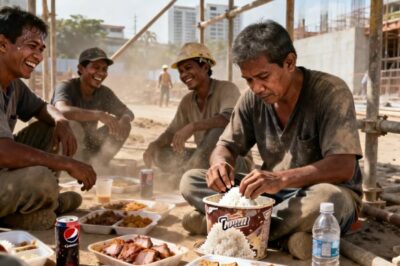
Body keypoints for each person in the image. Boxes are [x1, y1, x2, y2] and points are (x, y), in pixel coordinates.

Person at [180, 21, 363, 260]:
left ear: (289, 62)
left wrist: (281, 178)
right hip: (269, 194)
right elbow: (225, 146)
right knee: (190, 180)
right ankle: (283, 237)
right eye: (248, 80)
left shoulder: (330, 92)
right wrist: (220, 165)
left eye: (263, 76)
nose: (256, 88)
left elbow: (343, 167)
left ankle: (221, 226)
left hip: (318, 193)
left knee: (328, 200)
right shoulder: (252, 99)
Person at [0, 7, 96, 230]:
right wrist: (67, 163)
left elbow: (43, 107)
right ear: (3, 44)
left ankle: (37, 204)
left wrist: (61, 121)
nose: (39, 56)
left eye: (41, 49)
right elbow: (3, 153)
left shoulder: (12, 84)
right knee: (41, 179)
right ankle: (44, 200)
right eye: (32, 46)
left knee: (52, 126)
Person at [143, 43, 251, 186]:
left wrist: (193, 126)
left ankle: (184, 177)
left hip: (231, 159)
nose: (184, 75)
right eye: (181, 71)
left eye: (188, 68)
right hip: (202, 158)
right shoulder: (187, 101)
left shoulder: (226, 88)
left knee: (218, 131)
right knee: (160, 153)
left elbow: (229, 120)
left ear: (205, 67)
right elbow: (171, 132)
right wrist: (154, 145)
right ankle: (190, 172)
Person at [52, 47, 134, 168]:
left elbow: (127, 112)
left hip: (88, 145)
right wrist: (98, 114)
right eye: (96, 67)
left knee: (124, 125)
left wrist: (124, 119)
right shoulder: (66, 86)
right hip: (62, 146)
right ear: (81, 69)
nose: (101, 73)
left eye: (104, 69)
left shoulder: (104, 93)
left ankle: (98, 166)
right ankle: (70, 168)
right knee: (73, 125)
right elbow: (61, 110)